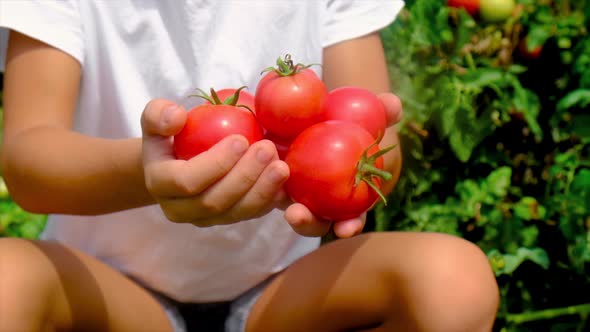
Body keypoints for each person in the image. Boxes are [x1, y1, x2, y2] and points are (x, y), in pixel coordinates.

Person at [0, 1, 500, 331]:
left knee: (453, 282)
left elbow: (373, 139)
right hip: (107, 299)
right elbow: (28, 158)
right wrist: (146, 172)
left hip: (283, 297)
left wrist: (352, 169)